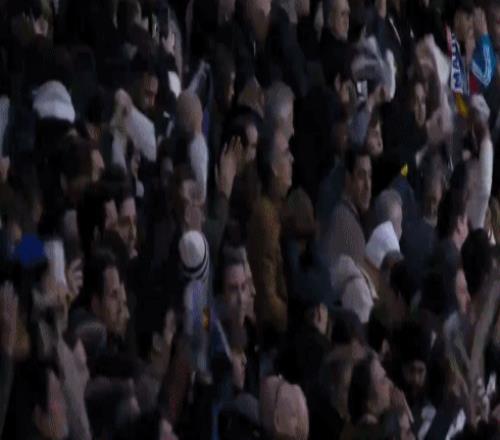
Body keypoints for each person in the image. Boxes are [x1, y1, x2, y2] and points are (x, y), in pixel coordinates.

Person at [247, 128, 294, 344]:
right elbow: (267, 294)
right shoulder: (265, 218)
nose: (292, 159)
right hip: (273, 337)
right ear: (274, 168)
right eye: (286, 153)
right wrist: (293, 322)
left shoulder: (278, 209)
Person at [324, 149, 372, 265]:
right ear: (348, 179)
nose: (368, 185)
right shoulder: (346, 223)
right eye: (361, 176)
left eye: (370, 175)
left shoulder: (341, 214)